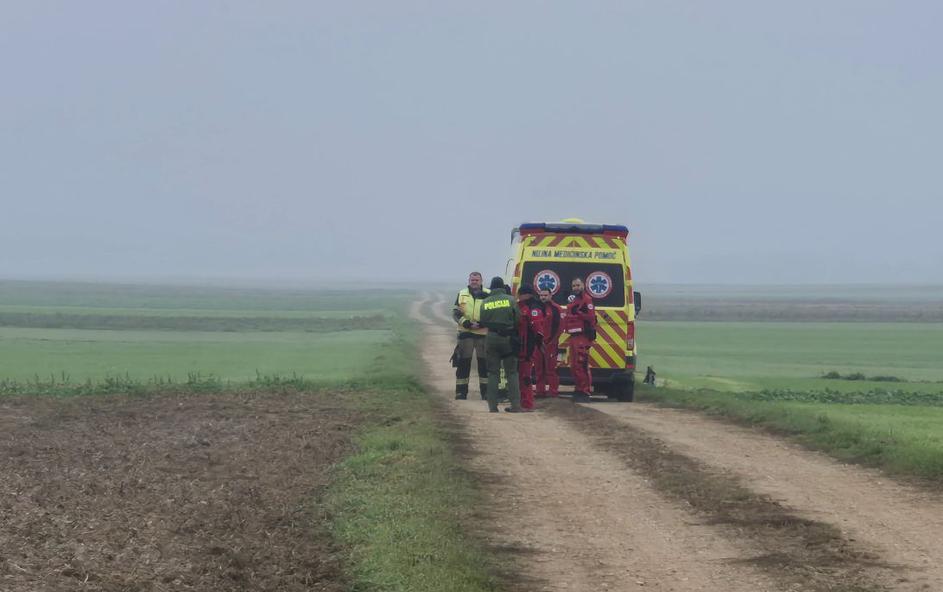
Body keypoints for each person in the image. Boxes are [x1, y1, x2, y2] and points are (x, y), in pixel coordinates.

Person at [478, 277, 523, 413]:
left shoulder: (485, 302)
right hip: (508, 338)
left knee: (493, 373)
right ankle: (515, 405)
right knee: (512, 373)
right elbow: (518, 319)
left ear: (491, 287)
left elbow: (483, 321)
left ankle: (492, 406)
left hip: (491, 338)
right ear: (503, 286)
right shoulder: (510, 300)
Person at [452, 272, 490, 400]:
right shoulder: (462, 293)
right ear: (469, 280)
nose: (474, 282)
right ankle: (461, 393)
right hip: (466, 334)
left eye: (477, 280)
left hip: (483, 334)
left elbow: (492, 314)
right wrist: (467, 323)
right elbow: (456, 313)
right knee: (463, 363)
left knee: (484, 365)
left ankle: (486, 393)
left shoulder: (488, 294)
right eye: (472, 279)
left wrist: (482, 324)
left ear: (481, 280)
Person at [564, 277, 597, 401]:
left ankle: (585, 392)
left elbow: (591, 318)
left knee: (581, 364)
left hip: (582, 336)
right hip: (573, 336)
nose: (576, 288)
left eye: (578, 285)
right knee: (574, 366)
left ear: (583, 285)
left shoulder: (587, 300)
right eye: (574, 286)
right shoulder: (574, 300)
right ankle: (578, 389)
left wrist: (578, 312)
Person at [516, 284, 544, 411]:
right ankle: (522, 401)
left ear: (526, 294)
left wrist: (536, 345)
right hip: (520, 346)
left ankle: (527, 403)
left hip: (527, 347)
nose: (519, 297)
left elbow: (538, 329)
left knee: (525, 376)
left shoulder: (533, 307)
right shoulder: (522, 306)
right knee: (520, 376)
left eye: (520, 294)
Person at [535, 287, 563, 397]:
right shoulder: (536, 308)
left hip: (550, 344)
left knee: (551, 370)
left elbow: (560, 326)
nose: (543, 297)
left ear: (550, 295)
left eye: (545, 295)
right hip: (538, 344)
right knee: (538, 370)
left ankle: (553, 392)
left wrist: (552, 341)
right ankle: (540, 392)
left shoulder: (556, 308)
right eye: (541, 295)